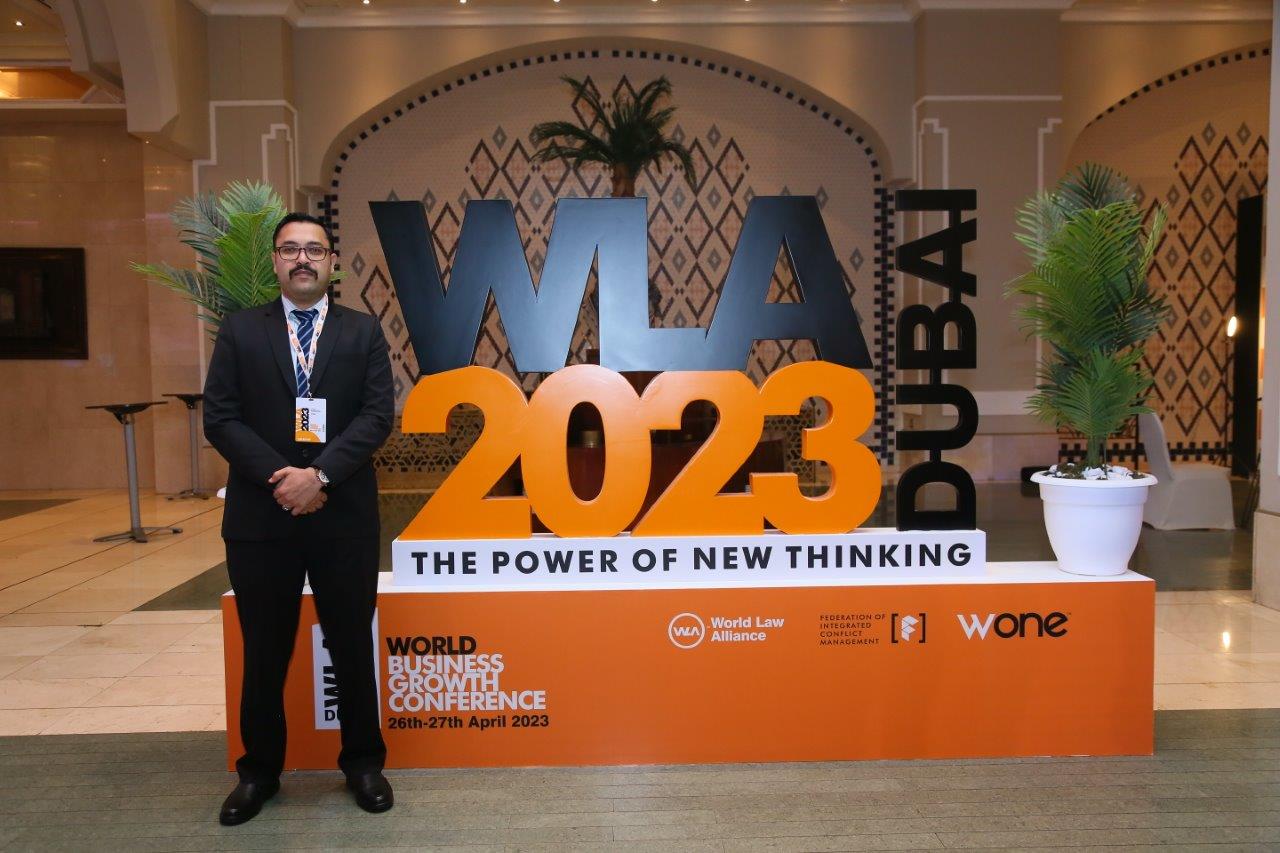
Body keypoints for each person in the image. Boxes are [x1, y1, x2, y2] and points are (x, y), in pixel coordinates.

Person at [203, 212, 395, 825]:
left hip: (343, 516)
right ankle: (258, 774)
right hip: (262, 519)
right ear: (275, 262)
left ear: (332, 262)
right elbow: (220, 417)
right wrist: (282, 478)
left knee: (351, 644)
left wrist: (321, 475)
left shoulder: (363, 331)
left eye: (314, 249)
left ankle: (363, 764)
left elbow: (376, 416)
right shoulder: (240, 331)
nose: (303, 259)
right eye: (290, 249)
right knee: (264, 650)